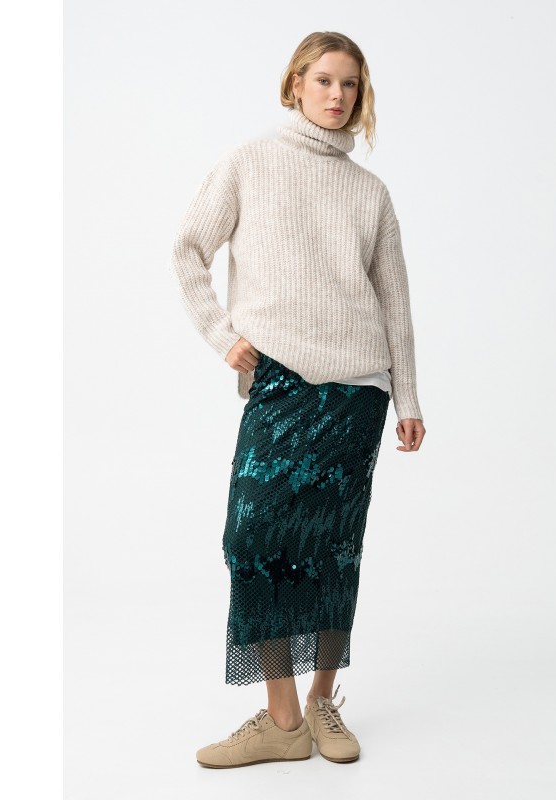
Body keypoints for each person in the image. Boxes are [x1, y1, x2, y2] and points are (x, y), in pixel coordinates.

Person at [169, 31, 426, 768]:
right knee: (252, 541)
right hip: (279, 378)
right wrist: (222, 336)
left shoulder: (371, 194)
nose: (338, 95)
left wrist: (407, 397)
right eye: (324, 80)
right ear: (294, 86)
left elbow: (395, 301)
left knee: (332, 549)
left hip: (357, 391)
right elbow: (188, 247)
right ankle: (282, 719)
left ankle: (322, 702)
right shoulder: (248, 163)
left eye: (351, 84)